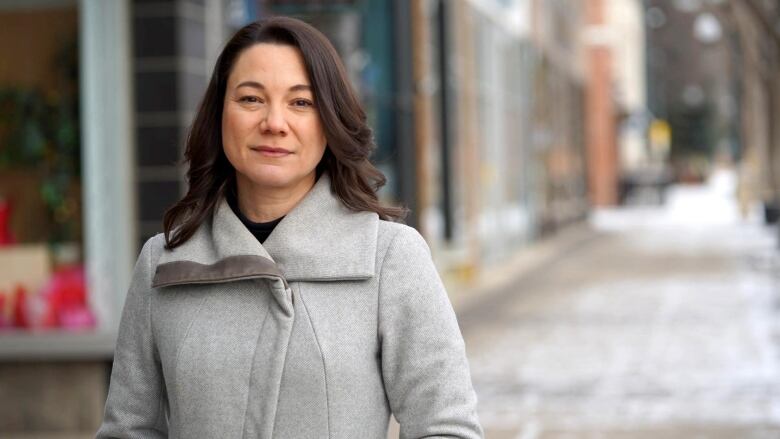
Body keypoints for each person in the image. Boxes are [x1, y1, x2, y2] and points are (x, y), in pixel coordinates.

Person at [97, 16, 482, 439]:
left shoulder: (389, 256)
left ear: (330, 121)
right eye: (250, 99)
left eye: (301, 102)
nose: (274, 123)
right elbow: (128, 430)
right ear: (219, 114)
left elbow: (446, 426)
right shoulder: (165, 261)